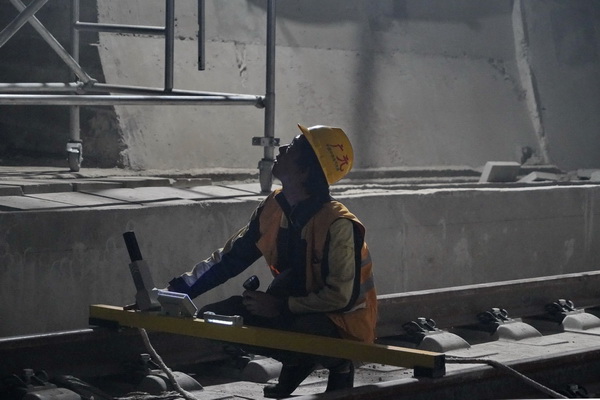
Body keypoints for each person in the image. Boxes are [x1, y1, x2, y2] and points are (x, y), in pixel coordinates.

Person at [167, 124, 377, 398]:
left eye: (292, 147)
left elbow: (340, 297)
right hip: (293, 307)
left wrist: (280, 306)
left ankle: (340, 366)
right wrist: (176, 292)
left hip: (343, 324)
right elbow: (230, 258)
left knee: (300, 331)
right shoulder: (275, 206)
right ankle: (296, 361)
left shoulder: (339, 225)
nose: (281, 149)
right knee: (212, 318)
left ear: (305, 171)